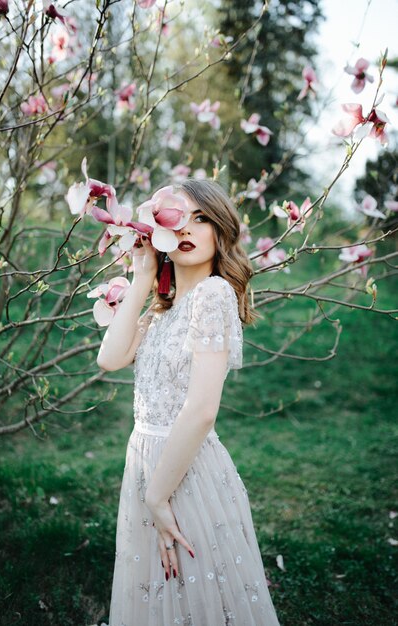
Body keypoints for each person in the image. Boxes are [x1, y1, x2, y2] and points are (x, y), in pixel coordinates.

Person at [97, 179, 281, 626]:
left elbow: (201, 410)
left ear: (220, 231)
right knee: (162, 594)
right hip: (146, 464)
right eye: (181, 216)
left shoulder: (212, 296)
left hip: (184, 472)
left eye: (202, 219)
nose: (189, 228)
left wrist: (158, 495)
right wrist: (143, 276)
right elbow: (109, 358)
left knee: (197, 592)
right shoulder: (166, 308)